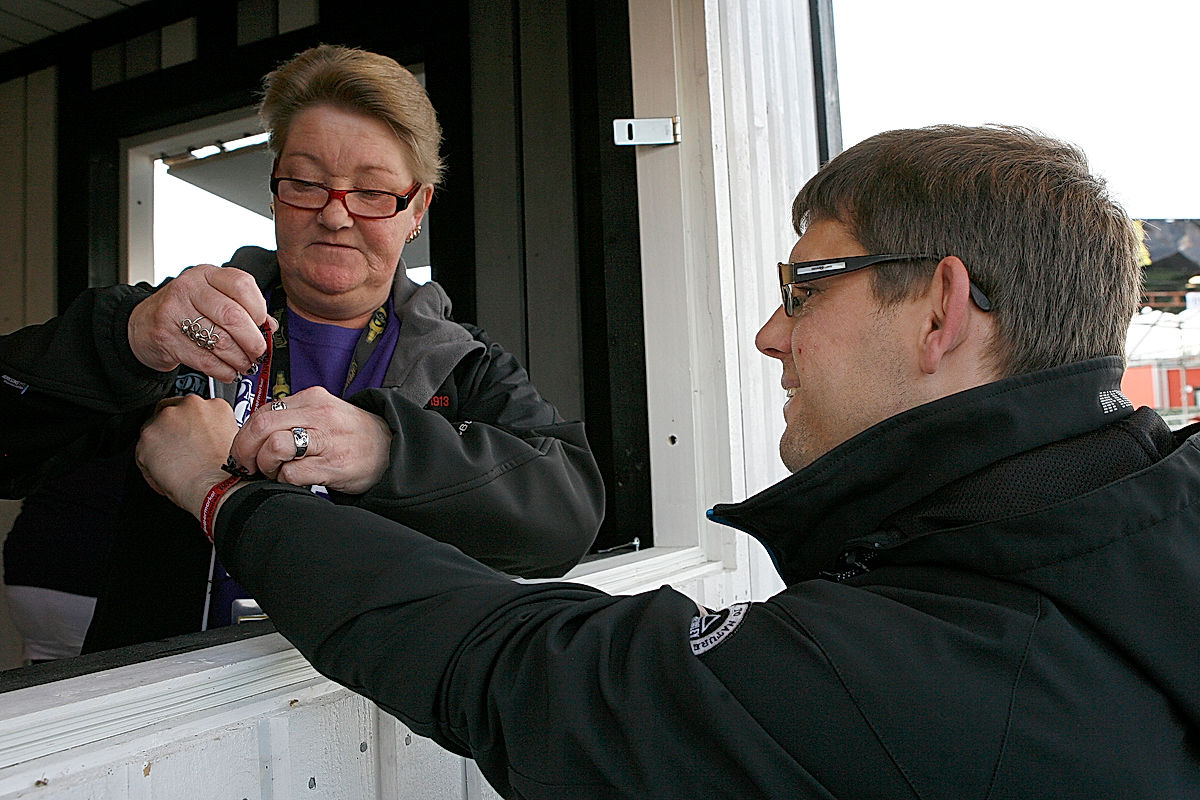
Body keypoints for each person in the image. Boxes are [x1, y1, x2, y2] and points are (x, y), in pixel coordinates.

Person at [90, 124, 1200, 795]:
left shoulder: (936, 680)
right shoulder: (1122, 538)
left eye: (802, 287)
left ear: (939, 308)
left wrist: (266, 476)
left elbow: (533, 622)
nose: (770, 333)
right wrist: (122, 340)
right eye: (302, 183)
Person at [0, 44, 603, 660]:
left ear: (417, 209)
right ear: (274, 192)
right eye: (308, 183)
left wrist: (387, 451)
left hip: (367, 708)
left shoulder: (464, 363)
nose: (335, 215)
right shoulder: (183, 320)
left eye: (371, 190)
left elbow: (567, 514)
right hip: (167, 702)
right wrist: (126, 340)